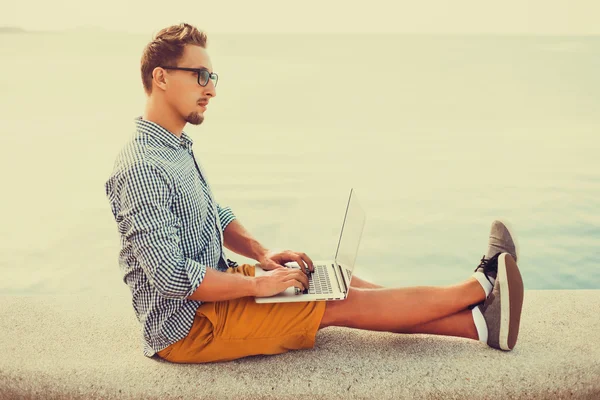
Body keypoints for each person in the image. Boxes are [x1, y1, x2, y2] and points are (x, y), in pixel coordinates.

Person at [104, 22, 524, 364]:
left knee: (334, 279)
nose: (211, 88)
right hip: (189, 327)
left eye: (213, 76)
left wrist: (262, 256)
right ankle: (478, 286)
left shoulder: (172, 147)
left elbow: (214, 213)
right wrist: (258, 287)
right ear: (160, 78)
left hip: (212, 293)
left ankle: (479, 325)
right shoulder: (142, 167)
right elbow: (172, 276)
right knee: (338, 303)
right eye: (200, 76)